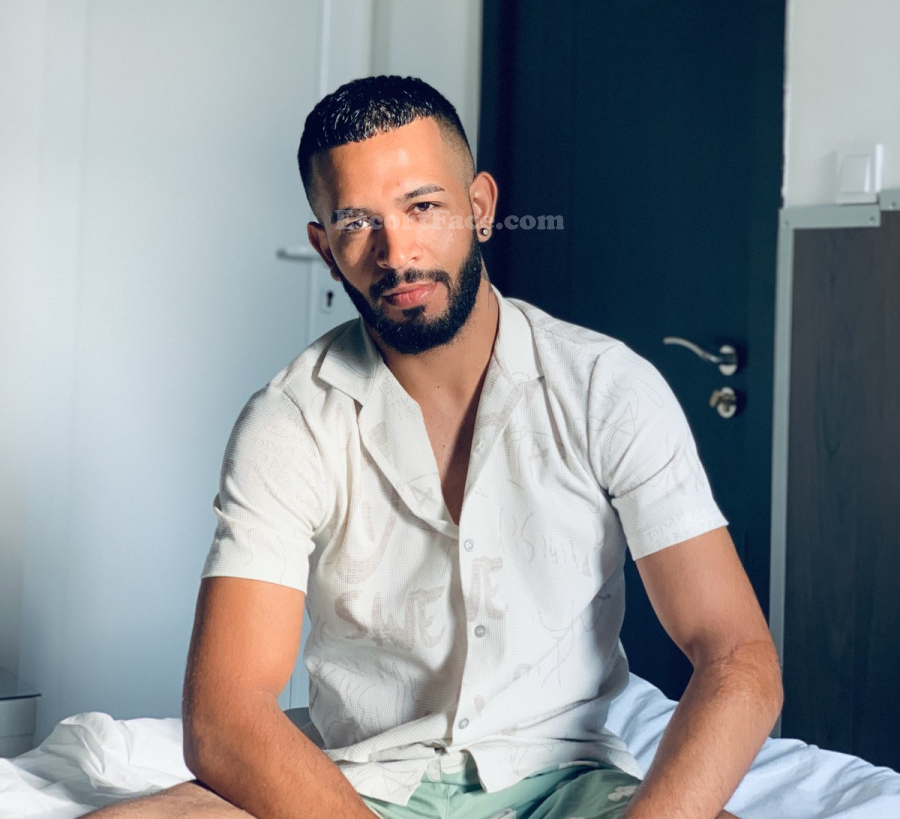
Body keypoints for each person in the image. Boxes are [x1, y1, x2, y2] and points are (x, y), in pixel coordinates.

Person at [94, 75, 782, 819]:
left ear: (479, 208)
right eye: (358, 222)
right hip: (362, 787)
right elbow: (225, 715)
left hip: (567, 786)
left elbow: (736, 655)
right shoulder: (290, 420)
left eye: (422, 206)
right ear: (326, 249)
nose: (397, 252)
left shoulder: (605, 387)